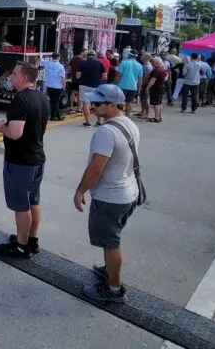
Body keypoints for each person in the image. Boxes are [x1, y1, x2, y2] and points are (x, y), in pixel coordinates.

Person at [74, 84, 141, 304]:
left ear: (112, 105)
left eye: (97, 103)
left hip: (111, 197)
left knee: (111, 242)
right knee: (111, 238)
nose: (91, 107)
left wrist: (80, 190)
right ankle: (108, 270)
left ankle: (114, 288)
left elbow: (96, 168)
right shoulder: (128, 123)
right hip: (128, 192)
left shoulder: (106, 132)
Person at [0, 63, 50, 258]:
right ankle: (31, 239)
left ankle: (21, 245)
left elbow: (15, 133)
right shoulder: (42, 97)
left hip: (20, 161)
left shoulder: (21, 100)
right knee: (33, 201)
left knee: (21, 206)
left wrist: (1, 126)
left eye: (14, 74)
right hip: (37, 159)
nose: (10, 77)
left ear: (24, 78)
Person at [77, 51, 106, 127]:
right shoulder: (100, 63)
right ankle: (99, 121)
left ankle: (88, 122)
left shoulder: (82, 63)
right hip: (96, 86)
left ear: (87, 56)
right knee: (97, 104)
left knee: (85, 104)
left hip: (84, 85)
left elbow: (78, 76)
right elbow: (104, 77)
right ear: (95, 55)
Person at [114, 51, 143, 118]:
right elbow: (140, 79)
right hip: (133, 87)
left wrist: (115, 83)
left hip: (122, 86)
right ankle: (127, 117)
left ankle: (118, 116)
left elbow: (118, 75)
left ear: (129, 55)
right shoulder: (139, 65)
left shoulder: (124, 63)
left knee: (119, 102)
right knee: (129, 102)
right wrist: (139, 89)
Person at [43, 52, 67, 121]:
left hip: (49, 86)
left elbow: (40, 59)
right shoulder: (60, 66)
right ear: (59, 58)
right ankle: (53, 117)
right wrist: (64, 87)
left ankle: (56, 116)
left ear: (52, 57)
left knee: (52, 101)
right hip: (57, 87)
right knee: (55, 102)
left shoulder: (47, 63)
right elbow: (63, 78)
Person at [144, 58, 167, 123]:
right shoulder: (163, 69)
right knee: (159, 103)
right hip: (161, 87)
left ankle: (156, 118)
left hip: (156, 88)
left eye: (152, 62)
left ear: (156, 62)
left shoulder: (156, 70)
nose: (151, 63)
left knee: (156, 104)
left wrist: (147, 87)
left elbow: (153, 80)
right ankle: (159, 116)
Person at [137, 53, 153, 119]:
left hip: (145, 84)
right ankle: (143, 111)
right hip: (144, 84)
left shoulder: (147, 66)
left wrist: (141, 85)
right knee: (142, 98)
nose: (141, 56)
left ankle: (147, 113)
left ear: (146, 57)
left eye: (142, 56)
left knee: (145, 99)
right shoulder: (145, 65)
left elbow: (146, 77)